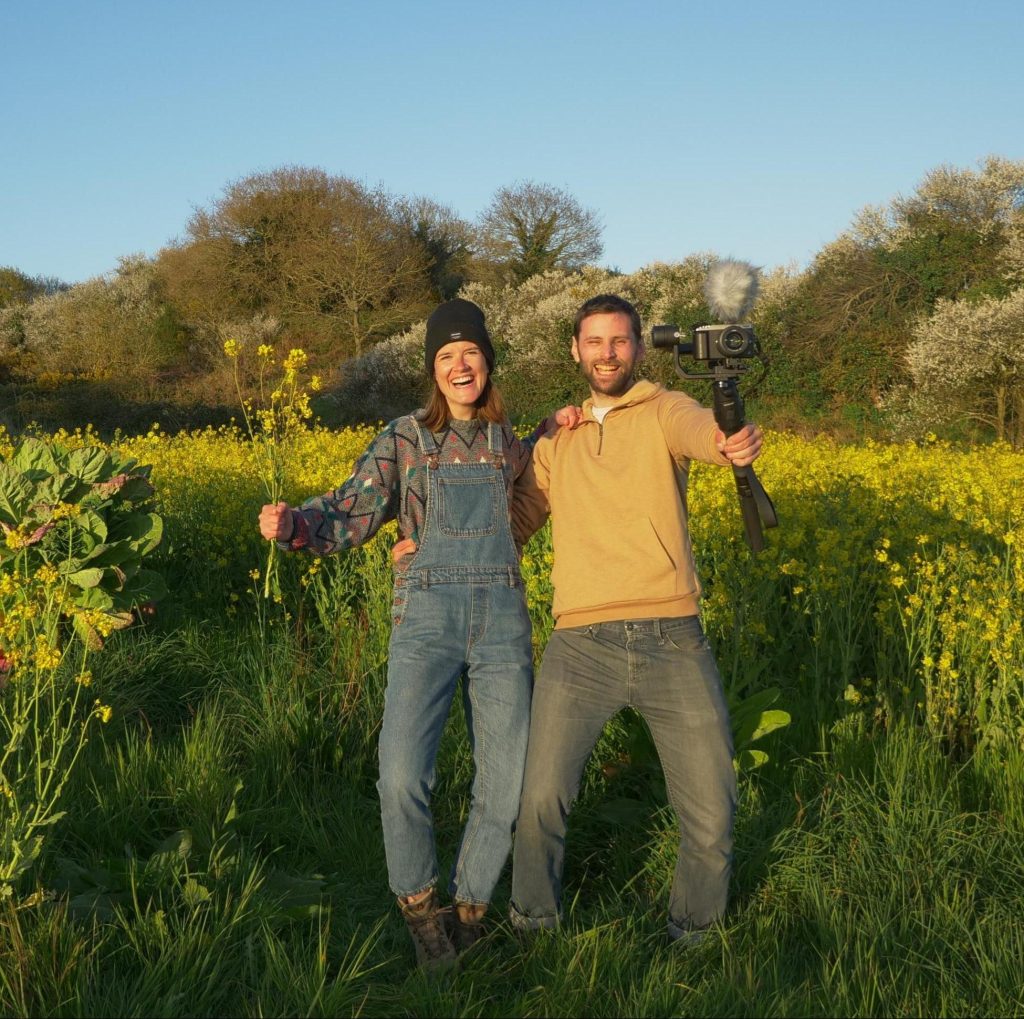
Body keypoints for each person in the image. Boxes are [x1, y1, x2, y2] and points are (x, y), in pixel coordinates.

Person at [258, 298, 568, 969]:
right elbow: (352, 508)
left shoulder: (505, 442)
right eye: (447, 355)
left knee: (506, 783)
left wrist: (553, 433)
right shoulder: (404, 437)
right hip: (425, 624)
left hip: (501, 624)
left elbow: (525, 510)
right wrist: (296, 527)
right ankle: (422, 913)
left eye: (472, 352)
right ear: (435, 369)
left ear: (488, 362)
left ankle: (471, 907)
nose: (461, 364)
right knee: (400, 774)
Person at [508, 293, 763, 943]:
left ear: (639, 348)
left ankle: (694, 934)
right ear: (575, 348)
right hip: (580, 643)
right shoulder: (555, 436)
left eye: (619, 341)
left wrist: (729, 441)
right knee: (540, 802)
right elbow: (515, 525)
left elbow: (704, 432)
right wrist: (435, 546)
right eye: (594, 341)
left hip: (672, 637)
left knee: (712, 808)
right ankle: (533, 927)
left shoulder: (661, 409)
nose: (607, 353)